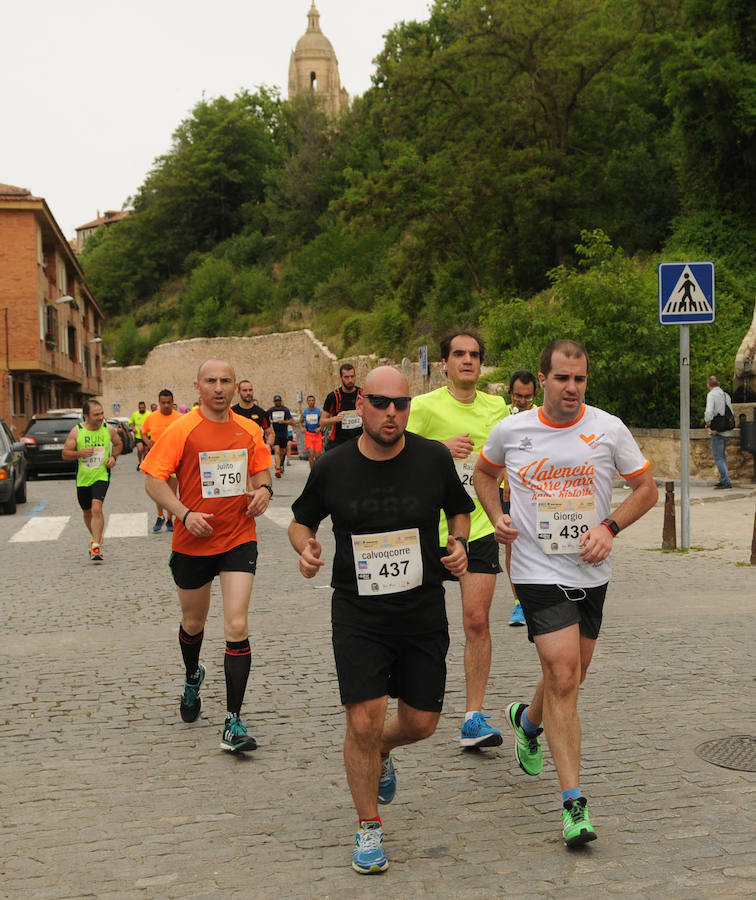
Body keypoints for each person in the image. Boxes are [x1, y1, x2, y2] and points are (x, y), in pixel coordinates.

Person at [289, 366, 474, 874]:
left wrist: (456, 544)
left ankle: (385, 750)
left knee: (421, 723)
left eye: (402, 404)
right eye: (382, 402)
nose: (392, 412)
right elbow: (301, 521)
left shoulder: (433, 458)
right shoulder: (333, 466)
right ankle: (368, 826)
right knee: (363, 720)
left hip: (420, 608)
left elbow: (460, 510)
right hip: (358, 612)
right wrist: (305, 548)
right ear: (362, 405)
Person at [473, 339, 658, 848]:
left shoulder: (608, 428)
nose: (572, 388)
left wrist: (610, 527)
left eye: (579, 379)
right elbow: (483, 474)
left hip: (592, 571)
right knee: (561, 673)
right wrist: (497, 516)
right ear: (543, 380)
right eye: (562, 378)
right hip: (535, 569)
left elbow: (647, 488)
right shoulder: (514, 430)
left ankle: (528, 723)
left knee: (569, 678)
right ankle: (574, 803)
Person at [141, 359, 273, 753]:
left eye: (225, 381)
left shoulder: (249, 429)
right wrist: (184, 513)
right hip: (192, 540)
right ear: (197, 386)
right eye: (211, 381)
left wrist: (264, 492)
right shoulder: (182, 429)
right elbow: (153, 479)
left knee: (236, 624)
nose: (218, 387)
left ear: (235, 387)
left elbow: (262, 472)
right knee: (194, 622)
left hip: (238, 537)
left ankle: (232, 721)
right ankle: (191, 675)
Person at [406, 330, 509, 748]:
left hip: (479, 527)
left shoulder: (497, 408)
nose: (467, 360)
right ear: (443, 364)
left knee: (477, 621)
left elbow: (513, 456)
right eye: (459, 354)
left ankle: (473, 717)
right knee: (421, 626)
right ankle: (411, 707)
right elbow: (396, 452)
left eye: (474, 355)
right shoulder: (422, 407)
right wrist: (438, 448)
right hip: (429, 530)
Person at [61, 399, 123, 562]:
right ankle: (96, 536)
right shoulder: (77, 431)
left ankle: (96, 546)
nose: (101, 417)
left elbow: (118, 444)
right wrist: (79, 453)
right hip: (83, 478)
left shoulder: (108, 429)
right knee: (87, 512)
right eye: (96, 414)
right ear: (86, 416)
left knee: (97, 508)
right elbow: (65, 454)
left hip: (101, 475)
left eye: (102, 413)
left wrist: (113, 457)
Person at [503, 370, 538, 626]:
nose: (522, 401)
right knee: (512, 545)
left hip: (537, 493)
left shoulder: (542, 417)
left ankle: (541, 597)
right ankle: (519, 604)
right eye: (518, 396)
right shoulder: (501, 416)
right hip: (509, 491)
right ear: (510, 393)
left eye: (527, 396)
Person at [141, 390, 183, 532]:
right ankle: (160, 516)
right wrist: (147, 442)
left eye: (168, 402)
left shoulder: (180, 418)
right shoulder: (151, 417)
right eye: (163, 403)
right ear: (159, 403)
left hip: (174, 460)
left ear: (173, 402)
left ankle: (170, 519)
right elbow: (143, 431)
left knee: (171, 491)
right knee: (158, 490)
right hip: (157, 459)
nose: (166, 405)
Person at [322, 363, 363, 449]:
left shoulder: (362, 394)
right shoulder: (333, 396)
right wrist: (335, 419)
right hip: (339, 443)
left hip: (360, 441)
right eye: (346, 377)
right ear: (341, 378)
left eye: (352, 376)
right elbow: (322, 422)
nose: (350, 380)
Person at [704, 375, 734, 489]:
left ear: (708, 385)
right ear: (719, 384)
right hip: (726, 430)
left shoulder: (711, 395)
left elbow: (709, 412)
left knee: (718, 457)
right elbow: (730, 412)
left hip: (717, 431)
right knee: (722, 456)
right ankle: (723, 479)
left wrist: (707, 423)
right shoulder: (725, 395)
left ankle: (726, 481)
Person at [266, 395, 295, 478]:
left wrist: (284, 421)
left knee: (282, 452)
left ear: (281, 401)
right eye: (276, 401)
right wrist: (270, 421)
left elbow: (292, 422)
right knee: (277, 451)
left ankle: (281, 464)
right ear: (274, 402)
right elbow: (265, 419)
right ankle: (278, 469)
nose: (277, 402)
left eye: (279, 401)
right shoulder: (270, 410)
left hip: (283, 434)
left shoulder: (285, 410)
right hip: (274, 434)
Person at [300, 394, 323, 468]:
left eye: (312, 400)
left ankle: (317, 470)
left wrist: (320, 427)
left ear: (315, 401)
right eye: (309, 400)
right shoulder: (305, 412)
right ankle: (312, 472)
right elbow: (300, 422)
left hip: (317, 435)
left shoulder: (319, 411)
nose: (311, 402)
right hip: (308, 435)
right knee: (311, 453)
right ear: (307, 402)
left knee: (317, 456)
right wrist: (302, 428)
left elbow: (323, 422)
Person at [129, 400, 149, 470]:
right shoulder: (135, 414)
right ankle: (140, 462)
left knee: (146, 451)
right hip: (138, 436)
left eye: (143, 408)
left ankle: (144, 462)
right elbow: (131, 422)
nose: (141, 409)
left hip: (147, 435)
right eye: (140, 408)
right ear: (138, 408)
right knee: (140, 449)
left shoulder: (149, 414)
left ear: (145, 407)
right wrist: (133, 428)